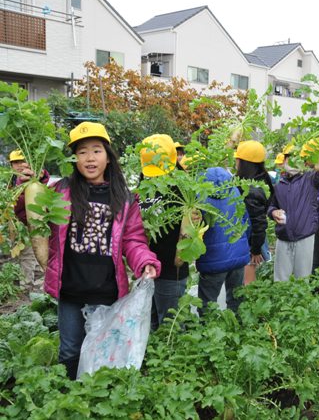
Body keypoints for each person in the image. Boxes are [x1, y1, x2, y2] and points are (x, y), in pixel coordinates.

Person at [45, 122, 160, 379]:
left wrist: (145, 262)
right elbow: (28, 215)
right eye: (82, 152)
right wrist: (28, 186)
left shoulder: (124, 198)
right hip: (70, 289)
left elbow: (133, 239)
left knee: (104, 352)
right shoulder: (60, 191)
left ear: (108, 157)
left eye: (96, 150)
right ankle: (70, 400)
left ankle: (96, 401)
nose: (89, 158)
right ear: (74, 159)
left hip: (106, 292)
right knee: (70, 352)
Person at [138, 134, 187, 331]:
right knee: (151, 323)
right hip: (146, 269)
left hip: (170, 271)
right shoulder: (142, 188)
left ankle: (174, 360)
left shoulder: (183, 189)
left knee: (170, 327)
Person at [268, 139, 319, 281]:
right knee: (280, 280)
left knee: (302, 279)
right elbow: (271, 205)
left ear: (304, 162)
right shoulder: (279, 183)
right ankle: (280, 303)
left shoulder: (310, 179)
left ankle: (302, 303)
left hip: (304, 236)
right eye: (289, 158)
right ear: (284, 160)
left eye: (297, 158)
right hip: (283, 236)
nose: (292, 162)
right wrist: (273, 212)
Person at [196, 167, 249, 314]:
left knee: (207, 304)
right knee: (236, 300)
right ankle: (237, 330)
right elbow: (246, 220)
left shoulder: (199, 196)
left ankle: (208, 334)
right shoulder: (234, 190)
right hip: (238, 256)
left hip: (212, 260)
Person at [233, 140, 274, 284]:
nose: (235, 162)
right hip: (249, 240)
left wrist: (255, 250)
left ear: (243, 162)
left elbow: (258, 222)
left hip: (249, 244)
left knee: (247, 284)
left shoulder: (250, 189)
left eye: (237, 159)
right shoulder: (261, 179)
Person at [7, 149, 49, 288]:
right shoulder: (11, 181)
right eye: (15, 162)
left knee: (28, 254)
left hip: (32, 223)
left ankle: (27, 285)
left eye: (22, 161)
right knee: (28, 254)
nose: (19, 165)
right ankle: (37, 276)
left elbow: (44, 182)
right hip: (17, 224)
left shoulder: (34, 178)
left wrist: (40, 177)